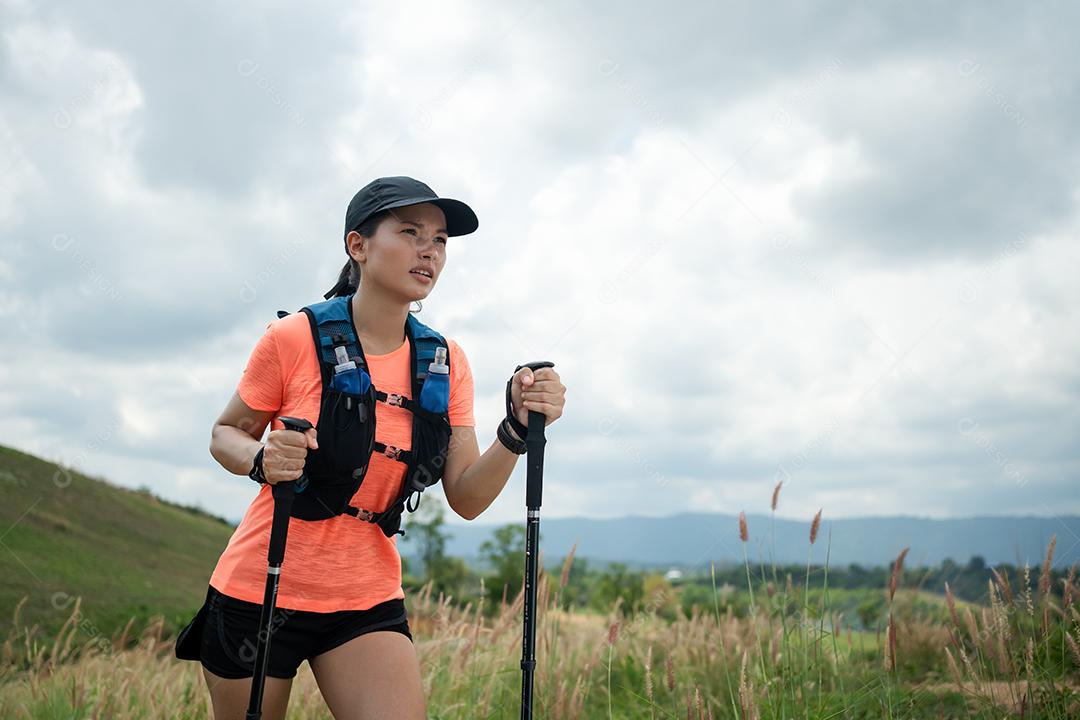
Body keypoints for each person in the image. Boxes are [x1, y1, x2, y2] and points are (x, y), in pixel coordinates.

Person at [173, 176, 567, 719]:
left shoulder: (446, 361)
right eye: (409, 232)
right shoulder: (294, 338)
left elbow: (468, 498)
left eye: (440, 240)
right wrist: (262, 460)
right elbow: (226, 433)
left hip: (365, 597)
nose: (429, 249)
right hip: (259, 588)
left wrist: (517, 430)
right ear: (358, 245)